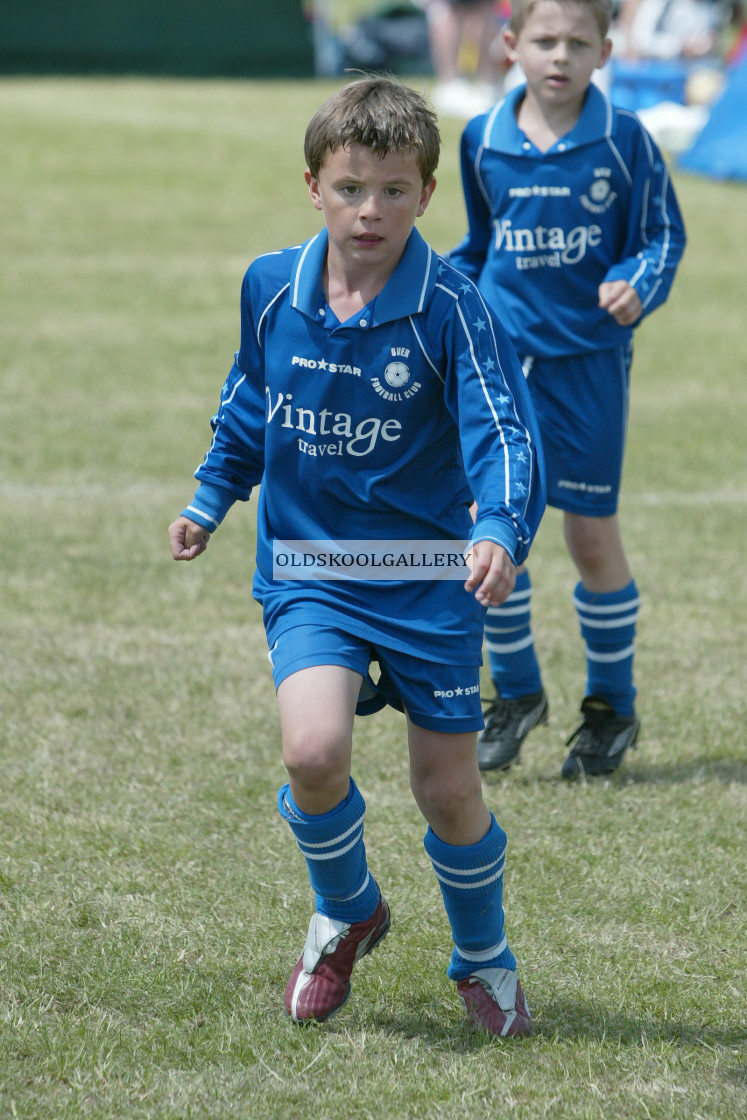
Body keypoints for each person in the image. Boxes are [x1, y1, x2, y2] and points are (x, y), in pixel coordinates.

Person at [168, 76, 545, 1034]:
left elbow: (501, 433)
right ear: (312, 186)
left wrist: (498, 527)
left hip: (428, 578)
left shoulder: (453, 308)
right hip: (311, 568)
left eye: (390, 189)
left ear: (426, 195)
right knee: (312, 753)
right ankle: (346, 910)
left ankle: (484, 956)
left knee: (448, 792)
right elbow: (252, 402)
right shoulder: (269, 286)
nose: (367, 210)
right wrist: (213, 496)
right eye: (348, 188)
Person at [449, 0, 686, 779]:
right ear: (510, 45)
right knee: (491, 534)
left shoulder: (623, 142)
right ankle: (515, 694)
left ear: (604, 50)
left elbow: (660, 235)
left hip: (587, 365)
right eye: (543, 41)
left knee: (589, 539)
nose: (559, 56)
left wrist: (635, 283)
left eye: (576, 43)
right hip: (502, 367)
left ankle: (610, 709)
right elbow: (481, 246)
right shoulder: (481, 138)